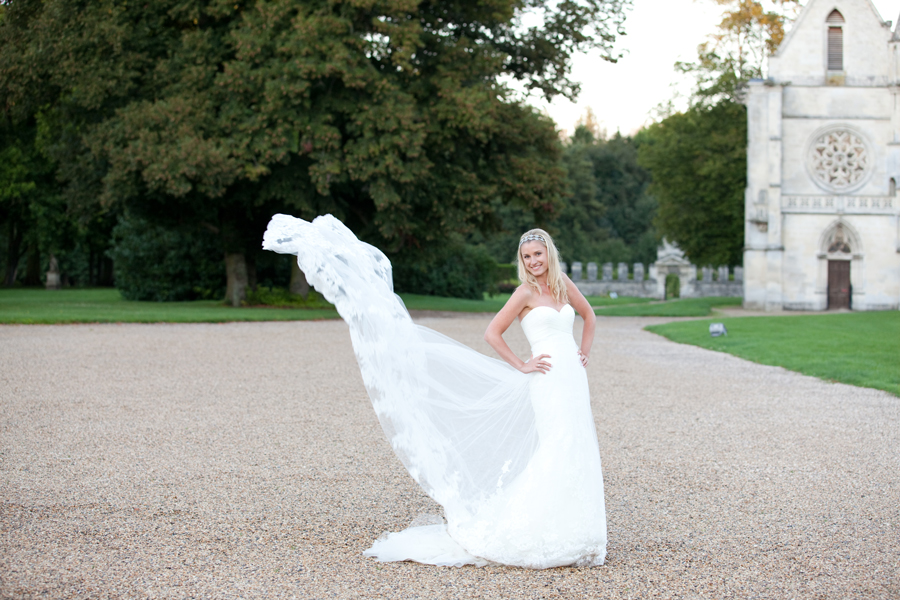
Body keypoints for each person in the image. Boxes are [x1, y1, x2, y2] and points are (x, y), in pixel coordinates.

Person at [263, 215, 607, 569]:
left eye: (538, 254)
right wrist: (521, 365)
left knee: (577, 443)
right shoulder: (525, 293)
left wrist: (584, 351)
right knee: (557, 443)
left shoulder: (562, 284)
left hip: (572, 378)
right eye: (527, 257)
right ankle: (547, 528)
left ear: (549, 253)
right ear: (522, 263)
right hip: (546, 379)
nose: (534, 261)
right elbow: (492, 333)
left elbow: (589, 315)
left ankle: (578, 528)